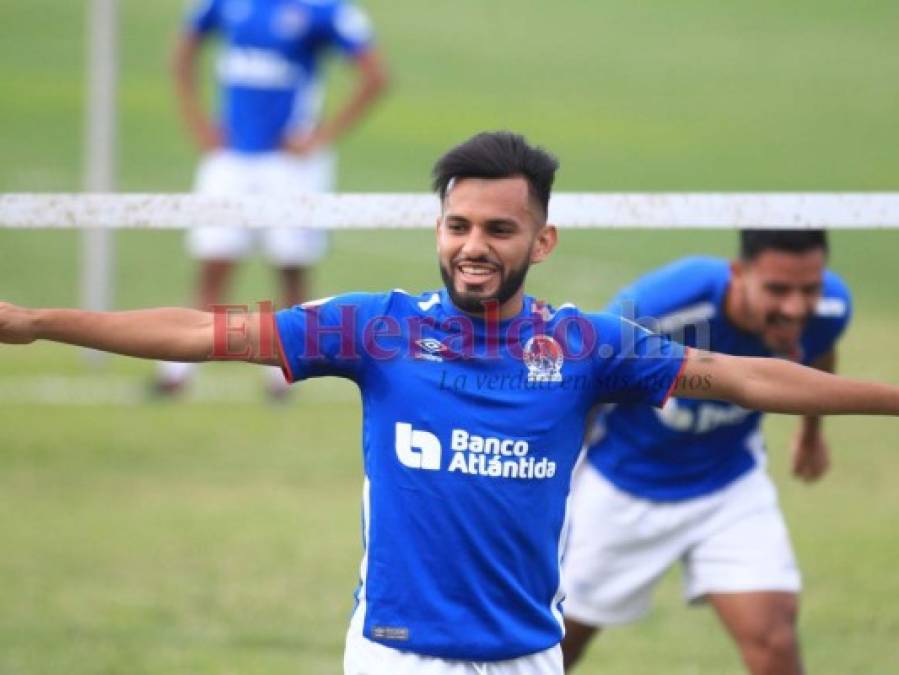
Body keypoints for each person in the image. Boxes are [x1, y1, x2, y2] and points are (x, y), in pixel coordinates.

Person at [1, 132, 897, 675]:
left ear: (541, 239)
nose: (474, 245)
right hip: (397, 654)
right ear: (437, 228)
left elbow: (752, 378)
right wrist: (40, 320)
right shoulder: (374, 329)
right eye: (458, 224)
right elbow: (202, 331)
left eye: (498, 229)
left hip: (525, 656)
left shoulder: (587, 345)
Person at [561, 231, 851, 675]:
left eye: (808, 289)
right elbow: (589, 380)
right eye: (777, 290)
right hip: (622, 485)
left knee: (774, 638)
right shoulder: (662, 306)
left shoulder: (830, 308)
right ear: (738, 273)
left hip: (727, 485)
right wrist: (552, 480)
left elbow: (821, 350)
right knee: (558, 645)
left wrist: (812, 433)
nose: (796, 307)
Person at [156, 0, 389, 397]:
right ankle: (177, 371)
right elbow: (182, 53)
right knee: (214, 263)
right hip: (231, 159)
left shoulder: (323, 10)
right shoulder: (222, 4)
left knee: (291, 267)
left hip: (290, 166)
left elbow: (375, 75)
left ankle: (284, 375)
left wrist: (321, 136)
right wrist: (196, 120)